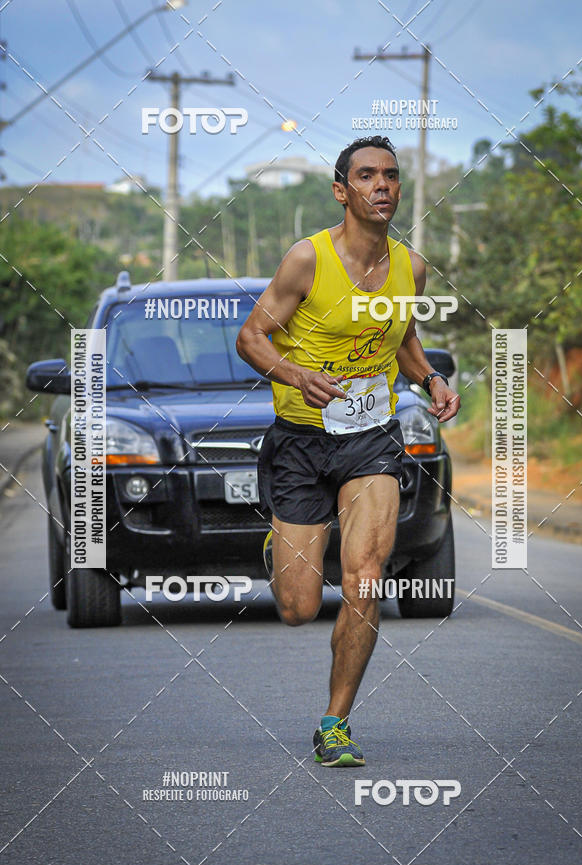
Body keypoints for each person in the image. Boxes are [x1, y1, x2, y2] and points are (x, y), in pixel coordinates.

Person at [236, 135, 460, 766]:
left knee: (365, 578)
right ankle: (281, 547)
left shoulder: (410, 267)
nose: (382, 185)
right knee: (297, 608)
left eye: (390, 176)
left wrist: (431, 379)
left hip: (371, 440)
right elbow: (251, 338)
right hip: (302, 441)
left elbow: (403, 340)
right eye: (367, 176)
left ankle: (335, 724)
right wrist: (294, 374)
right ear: (342, 190)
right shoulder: (306, 260)